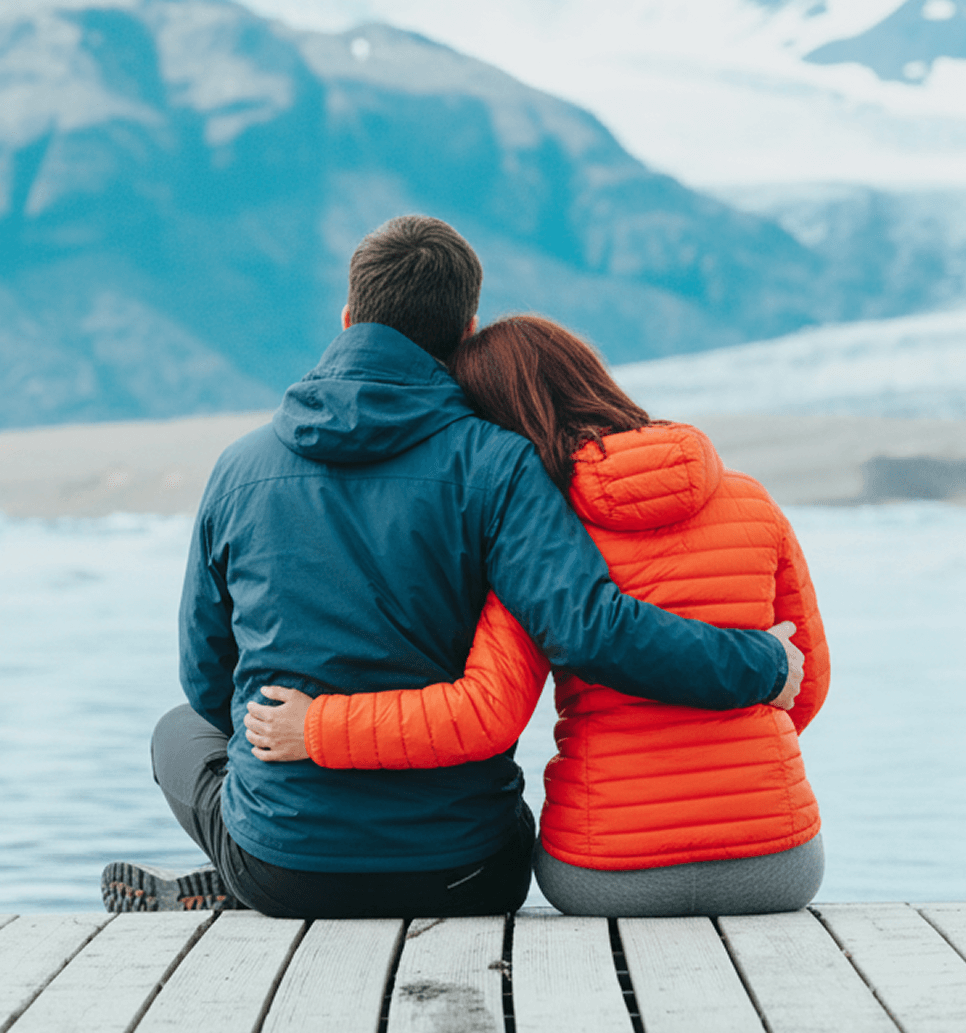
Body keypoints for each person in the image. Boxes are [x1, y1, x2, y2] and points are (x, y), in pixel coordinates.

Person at [102, 218, 800, 919]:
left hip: (287, 871)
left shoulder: (240, 469)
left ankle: (248, 862)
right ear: (467, 332)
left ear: (347, 317)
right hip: (473, 872)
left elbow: (207, 679)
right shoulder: (502, 464)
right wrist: (763, 664)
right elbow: (589, 630)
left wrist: (299, 762)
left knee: (178, 732)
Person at [247, 315, 829, 917]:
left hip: (606, 870)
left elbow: (483, 716)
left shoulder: (537, 539)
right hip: (778, 862)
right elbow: (805, 683)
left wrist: (316, 727)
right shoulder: (751, 501)